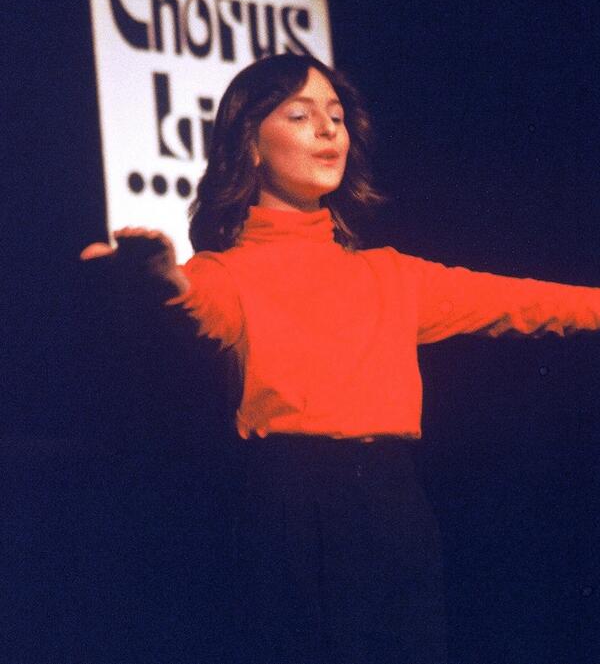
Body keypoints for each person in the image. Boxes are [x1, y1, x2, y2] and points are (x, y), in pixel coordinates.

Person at [81, 53, 600, 664]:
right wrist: (165, 280)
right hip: (293, 505)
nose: (328, 130)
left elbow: (525, 302)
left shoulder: (390, 275)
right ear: (250, 145)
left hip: (395, 504)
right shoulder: (226, 273)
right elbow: (198, 305)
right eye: (300, 115)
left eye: (336, 115)